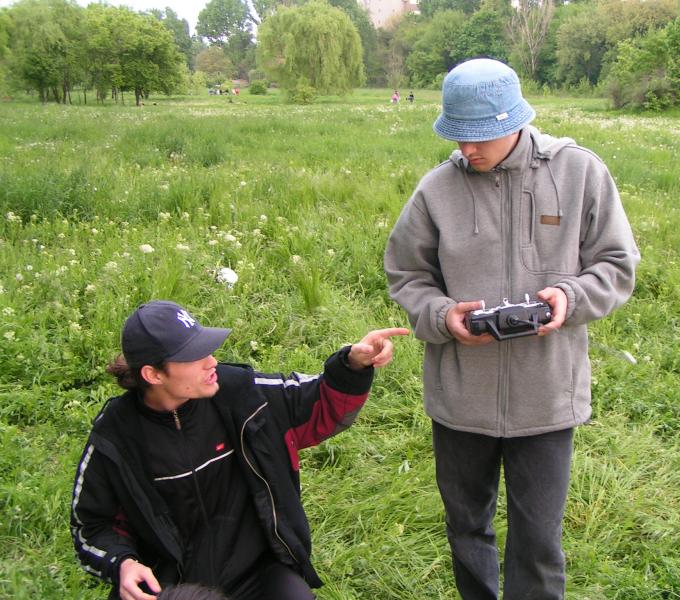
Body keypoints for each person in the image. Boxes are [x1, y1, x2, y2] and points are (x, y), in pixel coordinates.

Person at [384, 58, 639, 599]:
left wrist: (571, 296)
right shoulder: (436, 189)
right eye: (457, 135)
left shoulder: (579, 172)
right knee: (466, 528)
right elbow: (407, 274)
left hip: (546, 396)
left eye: (479, 135)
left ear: (515, 121)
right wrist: (443, 316)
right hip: (461, 399)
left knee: (539, 539)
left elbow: (617, 264)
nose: (467, 148)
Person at [70, 300, 408, 600]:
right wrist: (122, 564)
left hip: (257, 572)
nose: (212, 361)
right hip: (174, 586)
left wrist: (353, 364)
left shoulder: (241, 394)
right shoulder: (116, 436)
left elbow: (316, 401)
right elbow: (91, 525)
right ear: (153, 374)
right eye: (194, 356)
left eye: (207, 349)